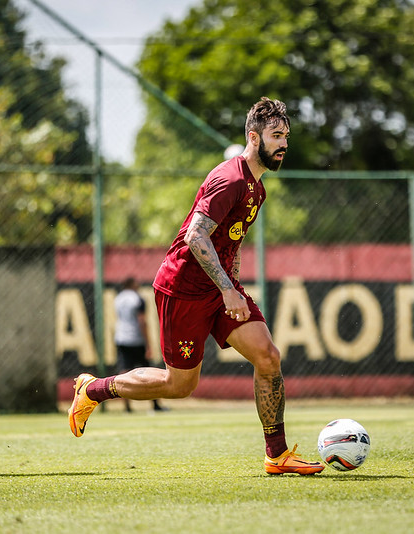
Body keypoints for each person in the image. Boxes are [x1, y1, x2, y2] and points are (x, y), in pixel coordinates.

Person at [68, 97, 324, 475]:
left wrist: (230, 283)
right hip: (183, 289)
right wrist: (227, 289)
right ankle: (92, 390)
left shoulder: (257, 187)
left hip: (218, 289)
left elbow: (228, 244)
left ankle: (277, 455)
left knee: (268, 356)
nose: (284, 143)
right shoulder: (230, 178)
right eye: (276, 135)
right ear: (254, 137)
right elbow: (195, 237)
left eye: (286, 135)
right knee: (179, 385)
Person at [113, 277, 166, 413]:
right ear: (131, 284)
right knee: (148, 371)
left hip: (121, 337)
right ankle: (155, 404)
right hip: (136, 338)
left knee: (125, 370)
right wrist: (148, 344)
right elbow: (141, 321)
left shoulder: (118, 299)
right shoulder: (137, 299)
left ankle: (126, 406)